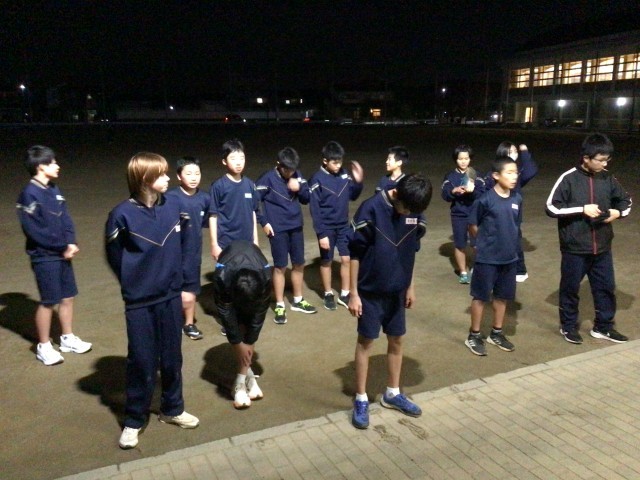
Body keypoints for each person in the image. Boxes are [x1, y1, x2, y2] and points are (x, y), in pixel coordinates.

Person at [106, 152, 200, 450]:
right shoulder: (121, 215)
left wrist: (187, 285)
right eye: (161, 174)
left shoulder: (175, 206)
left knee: (172, 357)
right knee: (142, 360)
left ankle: (172, 408)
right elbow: (115, 256)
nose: (168, 178)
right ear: (144, 179)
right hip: (140, 302)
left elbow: (187, 247)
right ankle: (134, 419)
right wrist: (134, 283)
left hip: (171, 296)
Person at [348, 174, 432, 429]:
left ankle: (392, 393)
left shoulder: (413, 211)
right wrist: (353, 293)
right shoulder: (371, 209)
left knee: (396, 340)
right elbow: (354, 253)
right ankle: (361, 398)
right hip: (370, 292)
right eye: (406, 209)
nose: (409, 214)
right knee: (366, 342)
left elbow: (411, 250)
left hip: (397, 291)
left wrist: (410, 286)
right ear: (396, 194)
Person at [546, 133, 631, 345]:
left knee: (606, 288)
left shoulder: (608, 178)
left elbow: (626, 200)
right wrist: (581, 209)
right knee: (570, 289)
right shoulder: (568, 178)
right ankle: (568, 326)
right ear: (586, 158)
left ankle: (603, 327)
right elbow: (551, 207)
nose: (605, 164)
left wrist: (618, 213)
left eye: (607, 160)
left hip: (602, 247)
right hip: (575, 247)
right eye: (600, 160)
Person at [16, 145, 92, 366]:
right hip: (44, 256)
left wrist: (71, 241)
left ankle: (67, 338)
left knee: (67, 297)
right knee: (49, 301)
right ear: (41, 166)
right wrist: (62, 246)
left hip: (62, 252)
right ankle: (44, 346)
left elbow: (65, 217)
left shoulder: (53, 189)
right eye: (53, 163)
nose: (57, 166)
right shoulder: (29, 194)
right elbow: (34, 231)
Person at [465, 156, 522, 356]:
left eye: (515, 173)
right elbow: (472, 225)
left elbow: (516, 225)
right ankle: (474, 335)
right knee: (480, 297)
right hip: (487, 258)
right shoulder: (485, 200)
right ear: (496, 176)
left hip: (509, 258)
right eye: (509, 173)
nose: (514, 177)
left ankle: (496, 333)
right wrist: (480, 244)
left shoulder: (517, 198)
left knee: (502, 297)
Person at [256, 147, 317, 325]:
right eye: (287, 169)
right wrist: (264, 222)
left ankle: (298, 300)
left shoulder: (297, 175)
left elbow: (306, 198)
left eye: (293, 169)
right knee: (280, 266)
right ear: (278, 164)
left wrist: (300, 188)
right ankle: (280, 304)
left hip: (296, 227)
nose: (290, 172)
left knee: (299, 263)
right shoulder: (267, 179)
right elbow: (254, 201)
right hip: (277, 229)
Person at [212, 240, 272, 409]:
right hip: (229, 268)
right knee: (237, 325)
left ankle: (243, 377)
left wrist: (249, 340)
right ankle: (242, 380)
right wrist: (237, 343)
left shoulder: (266, 276)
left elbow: (258, 318)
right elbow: (225, 313)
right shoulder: (222, 275)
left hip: (254, 262)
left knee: (250, 325)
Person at [309, 141, 364, 310]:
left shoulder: (344, 175)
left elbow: (353, 196)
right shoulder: (317, 179)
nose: (338, 165)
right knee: (326, 261)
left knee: (346, 259)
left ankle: (345, 293)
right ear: (325, 161)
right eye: (335, 162)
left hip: (343, 226)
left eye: (340, 161)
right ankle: (328, 293)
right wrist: (321, 234)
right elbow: (315, 210)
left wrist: (358, 182)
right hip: (326, 228)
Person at [165, 156, 211, 340]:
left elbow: (209, 221)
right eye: (189, 173)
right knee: (172, 291)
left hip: (193, 254)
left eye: (197, 173)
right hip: (171, 254)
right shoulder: (170, 198)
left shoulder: (205, 198)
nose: (193, 177)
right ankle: (170, 322)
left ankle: (189, 323)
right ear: (179, 176)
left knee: (190, 293)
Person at [485, 141, 538, 282]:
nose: (514, 154)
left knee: (514, 242)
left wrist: (524, 152)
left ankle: (520, 270)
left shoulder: (516, 174)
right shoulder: (493, 174)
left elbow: (531, 171)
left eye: (515, 151)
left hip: (513, 214)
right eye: (510, 151)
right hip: (495, 214)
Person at [441, 145, 486, 284]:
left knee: (477, 243)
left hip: (475, 213)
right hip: (458, 214)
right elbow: (445, 195)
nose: (463, 161)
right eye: (460, 159)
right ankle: (463, 272)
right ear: (456, 159)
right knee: (460, 244)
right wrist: (453, 191)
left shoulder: (476, 174)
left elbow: (483, 194)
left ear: (470, 159)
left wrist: (473, 192)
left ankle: (477, 268)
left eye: (466, 158)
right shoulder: (450, 176)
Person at [208, 139, 259, 261]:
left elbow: (252, 212)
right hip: (226, 242)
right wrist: (214, 245)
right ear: (224, 161)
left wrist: (255, 240)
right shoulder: (218, 186)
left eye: (242, 158)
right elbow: (213, 216)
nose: (239, 163)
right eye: (233, 158)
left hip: (247, 241)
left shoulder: (250, 185)